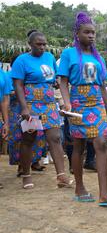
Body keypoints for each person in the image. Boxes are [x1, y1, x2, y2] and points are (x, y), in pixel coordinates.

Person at [59, 12, 107, 208]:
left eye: (93, 33)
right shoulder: (68, 54)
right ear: (77, 34)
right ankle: (79, 188)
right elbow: (63, 81)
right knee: (78, 145)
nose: (91, 36)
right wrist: (67, 102)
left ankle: (104, 194)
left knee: (101, 143)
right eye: (87, 32)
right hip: (77, 102)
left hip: (97, 102)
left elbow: (102, 85)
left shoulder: (98, 57)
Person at [11, 30, 71, 190]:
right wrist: (24, 107)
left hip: (49, 103)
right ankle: (26, 175)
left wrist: (57, 83)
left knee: (55, 137)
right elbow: (18, 85)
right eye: (39, 44)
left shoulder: (50, 57)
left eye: (44, 44)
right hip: (31, 104)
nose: (43, 47)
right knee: (29, 139)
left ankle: (61, 176)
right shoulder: (21, 60)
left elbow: (54, 78)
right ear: (30, 44)